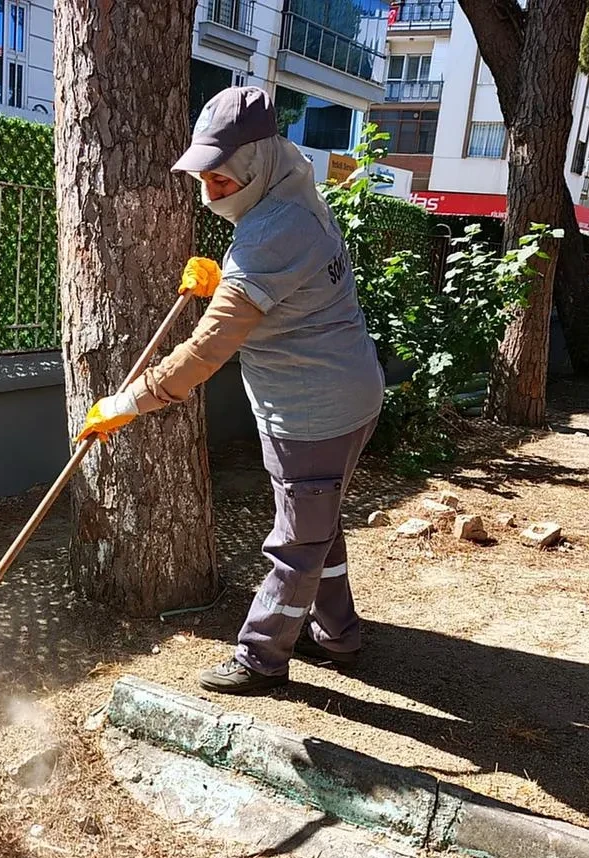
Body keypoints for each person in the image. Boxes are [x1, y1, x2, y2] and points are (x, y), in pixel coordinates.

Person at [75, 86, 384, 694]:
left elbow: (209, 348)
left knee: (297, 539)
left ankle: (261, 657)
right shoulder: (294, 193)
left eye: (223, 181)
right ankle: (339, 631)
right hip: (345, 395)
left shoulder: (272, 230)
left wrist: (127, 403)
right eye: (206, 181)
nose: (213, 193)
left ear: (256, 164)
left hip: (312, 412)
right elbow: (280, 280)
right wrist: (231, 280)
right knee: (317, 520)